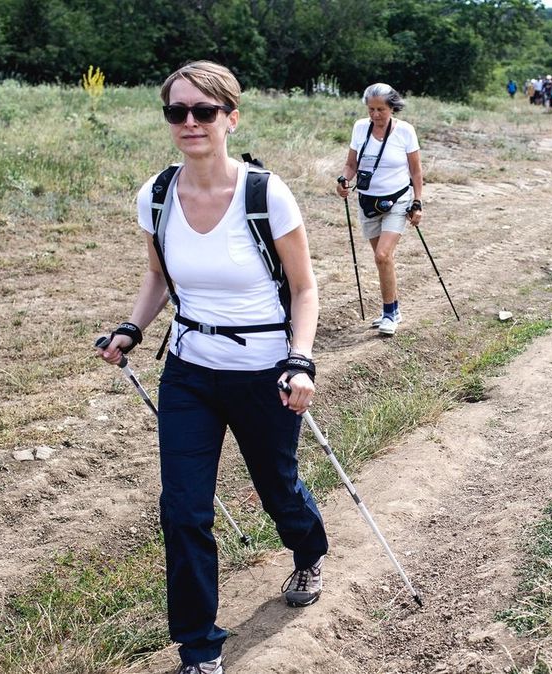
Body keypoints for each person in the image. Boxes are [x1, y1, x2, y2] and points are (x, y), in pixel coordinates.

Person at [96, 60, 326, 674]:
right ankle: (199, 648)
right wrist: (132, 327)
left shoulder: (264, 193)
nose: (190, 122)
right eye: (178, 112)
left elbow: (304, 290)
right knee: (184, 510)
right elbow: (156, 276)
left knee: (277, 490)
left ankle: (309, 550)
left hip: (265, 374)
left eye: (204, 111)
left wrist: (299, 362)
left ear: (231, 117)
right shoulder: (157, 194)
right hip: (190, 372)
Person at [335, 83, 424, 336]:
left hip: (397, 200)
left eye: (381, 110)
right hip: (367, 201)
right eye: (371, 109)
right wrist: (344, 181)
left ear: (392, 107)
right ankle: (394, 309)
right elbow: (350, 165)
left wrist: (417, 202)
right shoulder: (360, 128)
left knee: (382, 256)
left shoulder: (405, 131)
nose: (375, 115)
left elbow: (416, 171)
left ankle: (388, 314)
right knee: (382, 260)